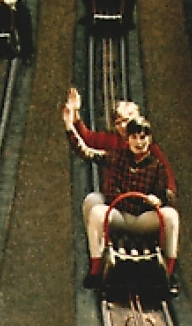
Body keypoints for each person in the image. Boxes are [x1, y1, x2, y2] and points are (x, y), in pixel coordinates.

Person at [63, 103, 179, 290]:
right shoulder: (117, 157)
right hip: (121, 213)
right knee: (96, 212)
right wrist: (70, 126)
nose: (139, 143)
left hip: (143, 217)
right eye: (134, 138)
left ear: (149, 140)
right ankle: (95, 270)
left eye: (143, 138)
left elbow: (165, 192)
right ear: (128, 140)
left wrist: (159, 199)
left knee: (171, 216)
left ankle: (170, 273)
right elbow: (86, 151)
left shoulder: (157, 166)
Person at [62, 87, 176, 204]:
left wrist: (165, 197)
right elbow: (86, 140)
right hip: (117, 201)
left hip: (142, 202)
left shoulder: (148, 147)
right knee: (93, 202)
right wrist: (74, 115)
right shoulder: (111, 141)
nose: (122, 126)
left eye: (126, 121)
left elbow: (166, 174)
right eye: (118, 123)